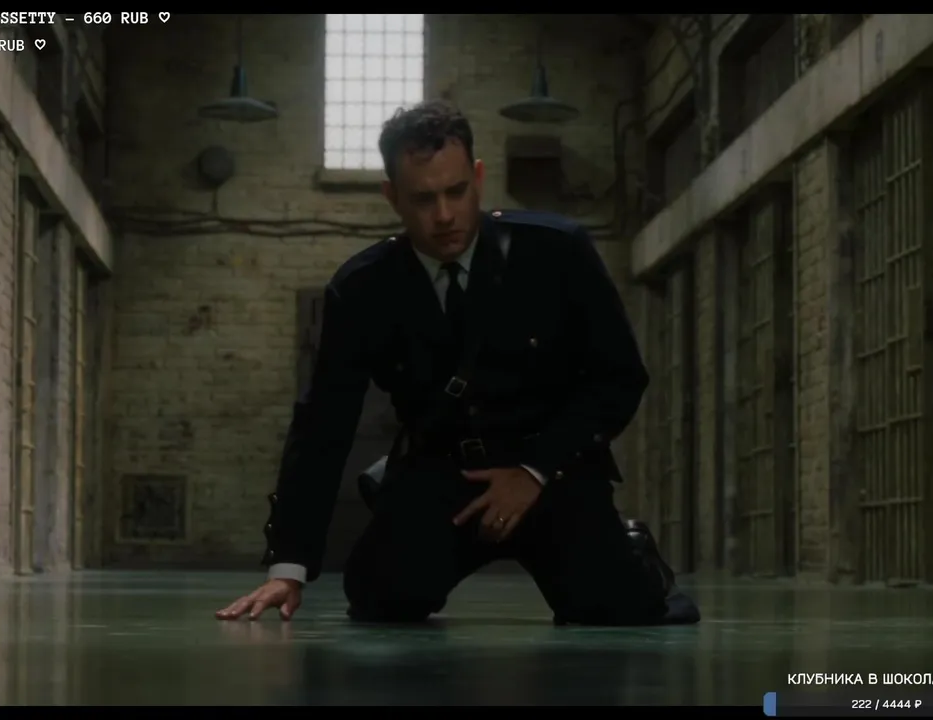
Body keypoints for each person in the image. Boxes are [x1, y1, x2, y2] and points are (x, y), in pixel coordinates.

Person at [215, 100, 700, 628]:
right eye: (423, 199)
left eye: (457, 191)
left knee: (618, 608)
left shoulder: (555, 252)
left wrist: (534, 470)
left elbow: (620, 377)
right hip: (441, 476)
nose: (444, 215)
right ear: (392, 197)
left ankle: (634, 555)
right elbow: (322, 425)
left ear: (479, 178)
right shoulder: (363, 289)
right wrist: (289, 566)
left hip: (551, 471)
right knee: (378, 599)